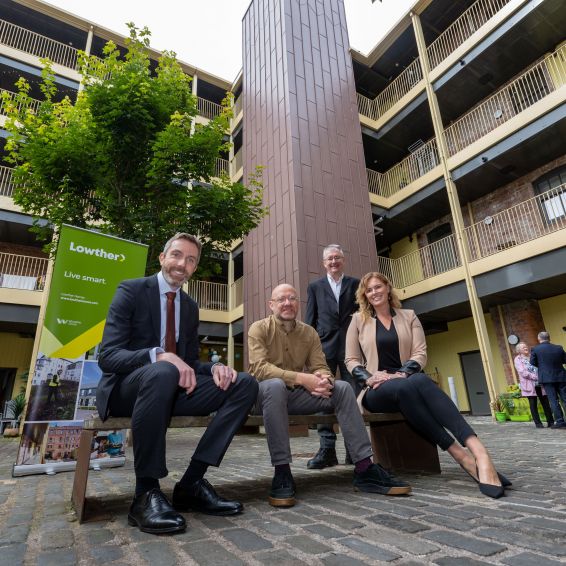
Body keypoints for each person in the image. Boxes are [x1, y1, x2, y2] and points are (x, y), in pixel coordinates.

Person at [97, 232, 258, 534]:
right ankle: (145, 493)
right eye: (176, 255)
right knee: (164, 371)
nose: (182, 264)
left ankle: (192, 484)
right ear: (162, 258)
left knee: (245, 383)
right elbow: (108, 357)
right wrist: (160, 356)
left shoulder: (189, 306)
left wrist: (217, 368)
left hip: (169, 388)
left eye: (191, 260)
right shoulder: (131, 291)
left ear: (194, 268)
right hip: (125, 389)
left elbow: (190, 363)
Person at [344, 272, 510, 499]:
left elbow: (420, 353)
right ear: (365, 295)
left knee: (417, 381)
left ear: (387, 287)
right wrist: (370, 377)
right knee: (412, 384)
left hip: (406, 381)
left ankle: (476, 453)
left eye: (377, 287)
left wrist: (402, 374)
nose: (374, 293)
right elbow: (350, 359)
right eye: (369, 290)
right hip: (376, 390)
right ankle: (464, 456)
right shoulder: (358, 320)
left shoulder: (409, 316)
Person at [247, 283, 411, 508]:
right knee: (275, 385)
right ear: (271, 304)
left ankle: (365, 468)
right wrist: (304, 379)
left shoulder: (309, 332)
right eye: (282, 299)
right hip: (263, 398)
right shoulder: (259, 328)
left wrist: (324, 380)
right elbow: (259, 369)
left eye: (292, 298)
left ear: (298, 303)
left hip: (295, 397)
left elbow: (320, 366)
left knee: (342, 388)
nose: (287, 303)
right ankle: (282, 472)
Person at [304, 244, 360, 469]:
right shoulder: (315, 286)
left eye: (337, 257)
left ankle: (353, 450)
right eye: (330, 259)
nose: (334, 262)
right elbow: (310, 320)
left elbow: (362, 315)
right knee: (322, 395)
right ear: (324, 263)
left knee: (352, 396)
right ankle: (326, 449)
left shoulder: (355, 284)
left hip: (350, 347)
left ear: (343, 260)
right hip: (323, 348)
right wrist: (308, 349)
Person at [530, 331, 566, 429]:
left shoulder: (535, 349)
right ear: (549, 338)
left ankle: (560, 421)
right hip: (561, 376)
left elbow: (532, 363)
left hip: (546, 378)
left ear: (539, 338)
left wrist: (543, 366)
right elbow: (564, 360)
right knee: (565, 398)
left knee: (553, 400)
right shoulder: (559, 347)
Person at [514, 342, 554, 428]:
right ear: (519, 350)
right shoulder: (518, 359)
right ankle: (538, 423)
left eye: (526, 346)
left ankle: (551, 422)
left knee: (545, 402)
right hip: (529, 384)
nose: (526, 348)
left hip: (540, 383)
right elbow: (522, 372)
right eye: (523, 347)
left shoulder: (532, 356)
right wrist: (536, 377)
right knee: (533, 404)